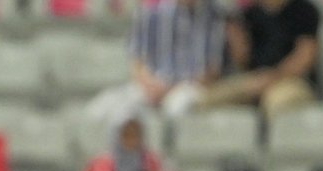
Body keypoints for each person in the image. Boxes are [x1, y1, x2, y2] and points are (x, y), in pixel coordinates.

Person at [91, 0, 226, 120]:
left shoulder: (213, 16)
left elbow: (212, 70)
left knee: (179, 107)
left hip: (188, 87)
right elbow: (136, 60)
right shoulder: (151, 13)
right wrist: (150, 85)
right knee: (105, 107)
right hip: (152, 84)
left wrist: (172, 88)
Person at [200, 0, 320, 119]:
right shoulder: (248, 15)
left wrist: (273, 77)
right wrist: (236, 41)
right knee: (207, 100)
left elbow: (305, 56)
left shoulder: (304, 10)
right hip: (254, 79)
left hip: (292, 81)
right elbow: (244, 62)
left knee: (277, 103)